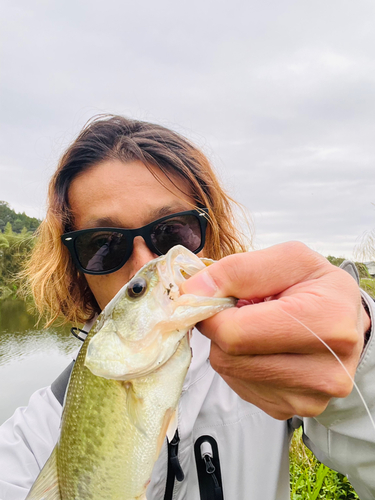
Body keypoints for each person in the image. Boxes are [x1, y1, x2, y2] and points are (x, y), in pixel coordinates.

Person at [0, 115, 374, 499]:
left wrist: (362, 356)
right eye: (103, 244)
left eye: (172, 231)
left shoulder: (272, 365)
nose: (142, 263)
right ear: (76, 269)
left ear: (209, 235)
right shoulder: (33, 435)